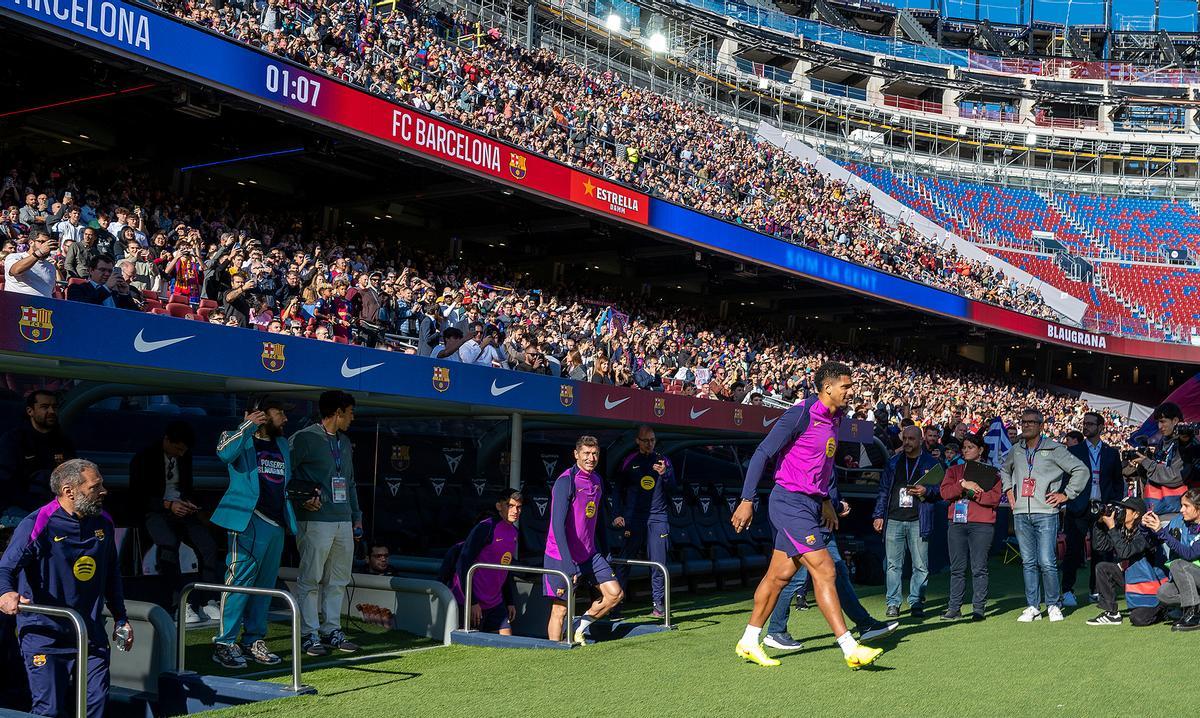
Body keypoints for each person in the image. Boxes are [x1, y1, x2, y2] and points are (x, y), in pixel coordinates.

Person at [731, 361, 883, 669]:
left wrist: (826, 500)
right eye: (846, 387)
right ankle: (850, 647)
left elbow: (822, 464)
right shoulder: (800, 414)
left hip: (811, 505)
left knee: (779, 576)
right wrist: (746, 499)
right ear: (828, 388)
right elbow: (762, 453)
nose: (850, 392)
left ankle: (748, 641)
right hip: (789, 502)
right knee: (826, 570)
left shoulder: (836, 419)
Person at [0, 459, 132, 718]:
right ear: (69, 491)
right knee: (49, 709)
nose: (104, 491)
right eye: (96, 487)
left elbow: (112, 575)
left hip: (89, 633)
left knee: (96, 703)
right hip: (45, 634)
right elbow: (5, 568)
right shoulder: (38, 523)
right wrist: (5, 593)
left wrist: (121, 618)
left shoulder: (103, 521)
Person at [210, 397, 303, 669]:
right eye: (280, 412)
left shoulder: (282, 444)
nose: (285, 418)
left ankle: (254, 640)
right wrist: (246, 426)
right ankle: (224, 642)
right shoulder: (235, 436)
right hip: (249, 520)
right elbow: (224, 454)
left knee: (264, 586)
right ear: (261, 414)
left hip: (277, 522)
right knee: (238, 581)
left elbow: (285, 482)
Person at [763, 481, 898, 649]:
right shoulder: (814, 456)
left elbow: (827, 488)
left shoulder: (828, 458)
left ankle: (865, 624)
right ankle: (774, 631)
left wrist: (836, 503)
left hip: (820, 525)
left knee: (838, 574)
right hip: (805, 524)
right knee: (793, 579)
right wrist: (838, 506)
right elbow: (813, 489)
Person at [127, 421, 221, 624]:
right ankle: (179, 604)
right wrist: (168, 505)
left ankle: (209, 599)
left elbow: (187, 487)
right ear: (167, 440)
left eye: (184, 450)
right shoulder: (144, 458)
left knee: (208, 546)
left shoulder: (185, 457)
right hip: (154, 511)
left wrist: (189, 503)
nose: (180, 453)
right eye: (177, 448)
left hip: (181, 509)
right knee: (168, 545)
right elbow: (138, 496)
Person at [290, 390, 361, 656]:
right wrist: (301, 499)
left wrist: (357, 517)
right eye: (350, 412)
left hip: (343, 520)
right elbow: (283, 475)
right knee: (310, 579)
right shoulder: (304, 438)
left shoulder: (344, 442)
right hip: (315, 520)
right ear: (338, 412)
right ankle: (309, 634)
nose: (353, 418)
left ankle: (332, 629)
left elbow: (350, 482)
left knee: (338, 580)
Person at [1001, 408, 1089, 623]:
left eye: (1032, 422)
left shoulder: (1055, 448)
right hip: (1021, 512)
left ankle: (1053, 604)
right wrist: (1008, 491)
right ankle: (1033, 606)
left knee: (1047, 561)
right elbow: (1004, 469)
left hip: (1046, 512)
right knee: (1028, 562)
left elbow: (1081, 470)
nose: (1027, 425)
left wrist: (1066, 494)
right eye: (1024, 421)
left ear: (1042, 426)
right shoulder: (1016, 450)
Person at [543, 435, 623, 644]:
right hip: (561, 556)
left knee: (615, 594)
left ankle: (579, 627)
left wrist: (605, 551)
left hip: (589, 554)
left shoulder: (597, 481)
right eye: (586, 453)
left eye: (595, 453)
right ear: (576, 454)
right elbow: (557, 526)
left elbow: (599, 519)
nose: (591, 458)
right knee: (560, 610)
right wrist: (568, 564)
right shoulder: (565, 481)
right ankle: (555, 654)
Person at [872, 425, 941, 618]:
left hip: (919, 519)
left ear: (920, 441)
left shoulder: (931, 462)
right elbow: (884, 491)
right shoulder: (893, 462)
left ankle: (916, 601)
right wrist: (878, 515)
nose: (907, 443)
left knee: (920, 565)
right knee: (893, 565)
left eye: (911, 439)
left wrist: (927, 491)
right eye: (905, 439)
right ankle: (893, 602)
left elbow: (941, 491)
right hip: (893, 518)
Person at [610, 425, 673, 617]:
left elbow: (675, 488)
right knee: (623, 561)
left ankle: (658, 604)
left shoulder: (664, 461)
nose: (650, 444)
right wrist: (616, 514)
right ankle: (616, 604)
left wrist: (665, 474)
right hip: (634, 518)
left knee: (658, 562)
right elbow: (617, 490)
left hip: (657, 517)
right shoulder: (629, 460)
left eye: (653, 440)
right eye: (646, 440)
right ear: (637, 441)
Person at [938, 433, 1002, 621]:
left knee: (979, 567)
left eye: (970, 447)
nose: (966, 450)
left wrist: (971, 491)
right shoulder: (954, 471)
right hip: (957, 523)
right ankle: (954, 608)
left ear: (980, 450)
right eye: (964, 447)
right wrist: (962, 486)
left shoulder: (992, 473)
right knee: (957, 568)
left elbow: (994, 499)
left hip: (982, 524)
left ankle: (978, 608)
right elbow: (944, 493)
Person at [1062, 412, 1123, 607]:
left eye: (1090, 424)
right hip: (1078, 507)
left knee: (1100, 551)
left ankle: (1096, 589)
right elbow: (1066, 479)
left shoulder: (1111, 453)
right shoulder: (1073, 451)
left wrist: (1113, 503)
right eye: (1084, 423)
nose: (1086, 427)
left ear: (1101, 427)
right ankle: (1067, 590)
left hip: (1102, 508)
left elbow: (1117, 482)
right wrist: (1068, 499)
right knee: (1073, 550)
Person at [1087, 497, 1167, 626]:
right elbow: (1100, 547)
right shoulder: (1122, 529)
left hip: (1153, 584)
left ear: (1136, 514)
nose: (1119, 511)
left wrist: (1112, 527)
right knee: (1103, 567)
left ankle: (1164, 608)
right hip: (1133, 578)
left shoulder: (1146, 531)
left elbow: (1125, 552)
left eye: (1124, 509)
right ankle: (1111, 613)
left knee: (1138, 619)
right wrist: (1100, 524)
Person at [452, 489, 522, 635]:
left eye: (519, 507)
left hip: (495, 602)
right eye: (510, 506)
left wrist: (509, 601)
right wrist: (472, 602)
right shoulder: (486, 527)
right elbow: (463, 564)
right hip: (471, 601)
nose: (515, 510)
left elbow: (505, 568)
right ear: (499, 506)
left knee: (507, 641)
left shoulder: (514, 532)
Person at [0, 390, 76, 513]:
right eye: (45, 407)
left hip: (56, 504)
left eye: (54, 407)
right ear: (30, 411)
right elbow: (5, 483)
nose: (51, 411)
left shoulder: (64, 442)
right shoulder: (13, 440)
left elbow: (73, 476)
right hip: (18, 507)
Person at [1144, 488, 1200, 631]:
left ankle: (1193, 615)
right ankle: (1195, 608)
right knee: (1163, 593)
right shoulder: (1178, 522)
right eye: (1181, 505)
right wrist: (1146, 526)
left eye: (1186, 506)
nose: (1181, 510)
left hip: (1193, 572)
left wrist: (1161, 532)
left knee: (1178, 563)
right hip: (1190, 577)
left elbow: (1189, 554)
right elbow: (1156, 541)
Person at [1124, 402, 1190, 514]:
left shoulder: (1186, 444)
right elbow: (1151, 477)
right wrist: (1143, 463)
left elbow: (1175, 477)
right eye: (1158, 422)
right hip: (1156, 508)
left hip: (1175, 511)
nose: (1159, 426)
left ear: (1175, 420)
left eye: (1163, 421)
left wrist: (1147, 463)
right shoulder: (1163, 442)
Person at [4, 230, 59, 297]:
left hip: (43, 306)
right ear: (31, 242)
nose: (46, 245)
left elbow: (51, 292)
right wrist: (40, 252)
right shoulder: (15, 257)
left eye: (48, 243)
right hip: (19, 304)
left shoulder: (51, 266)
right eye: (42, 242)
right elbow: (15, 270)